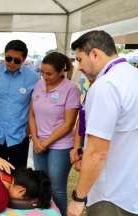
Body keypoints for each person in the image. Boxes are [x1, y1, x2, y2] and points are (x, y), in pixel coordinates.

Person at [67, 30, 138, 216]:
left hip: (111, 195)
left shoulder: (106, 86)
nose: (78, 67)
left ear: (95, 54)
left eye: (80, 59)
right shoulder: (133, 75)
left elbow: (97, 153)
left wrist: (78, 198)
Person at [29, 52, 80, 216]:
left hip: (60, 145)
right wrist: (36, 139)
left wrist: (45, 143)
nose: (45, 76)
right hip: (38, 143)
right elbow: (31, 114)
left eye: (49, 73)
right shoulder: (39, 84)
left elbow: (69, 123)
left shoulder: (70, 89)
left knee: (57, 189)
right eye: (42, 72)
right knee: (42, 185)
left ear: (61, 72)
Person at [0, 40, 40, 169]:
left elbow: (37, 106)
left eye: (16, 60)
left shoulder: (33, 78)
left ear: (24, 60)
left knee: (18, 179)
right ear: (4, 55)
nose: (12, 62)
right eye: (8, 58)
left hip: (19, 136)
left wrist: (29, 129)